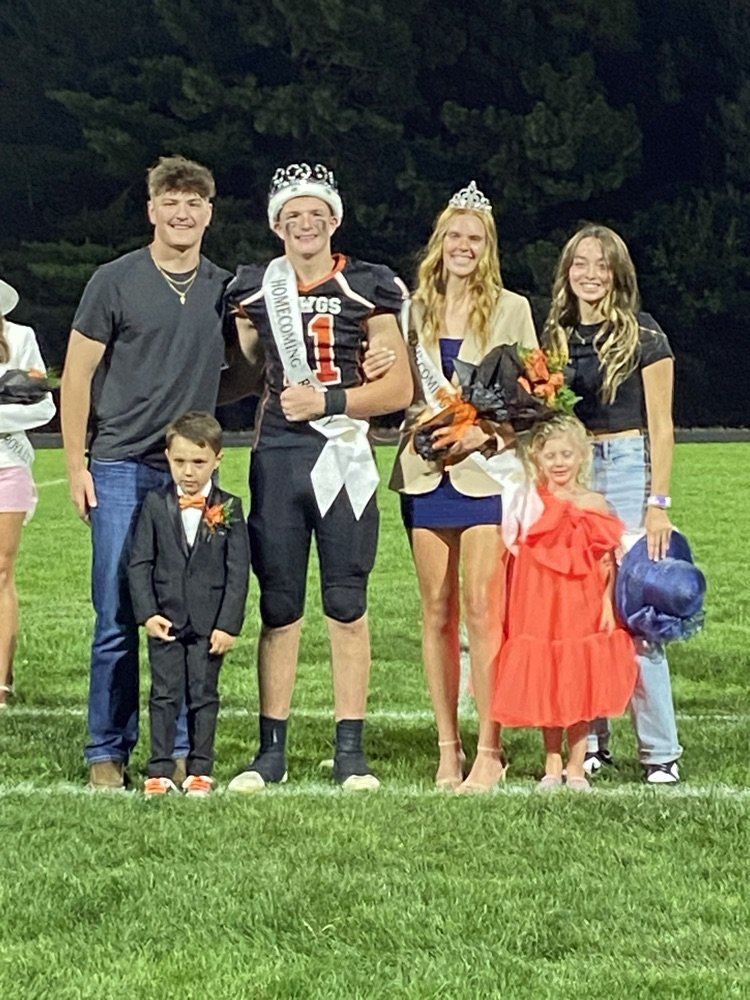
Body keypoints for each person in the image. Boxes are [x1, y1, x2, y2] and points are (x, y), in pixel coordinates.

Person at [224, 162, 412, 792]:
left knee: (346, 604)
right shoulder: (255, 288)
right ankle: (270, 751)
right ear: (277, 225)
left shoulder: (368, 285)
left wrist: (330, 401)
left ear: (334, 220)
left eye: (316, 213)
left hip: (342, 457)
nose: (305, 224)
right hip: (277, 456)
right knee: (279, 606)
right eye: (292, 215)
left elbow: (398, 389)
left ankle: (350, 750)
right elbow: (247, 365)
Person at [60, 155, 231, 790]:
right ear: (152, 209)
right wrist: (77, 465)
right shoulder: (115, 280)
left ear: (209, 213)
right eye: (171, 201)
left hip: (188, 470)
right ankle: (106, 748)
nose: (182, 213)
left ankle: (177, 748)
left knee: (186, 611)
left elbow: (245, 368)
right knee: (116, 613)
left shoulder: (223, 288)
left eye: (194, 203)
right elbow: (76, 376)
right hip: (120, 465)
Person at [385, 181, 538, 793]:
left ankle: (490, 751)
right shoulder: (412, 308)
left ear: (488, 246)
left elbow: (534, 397)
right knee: (436, 610)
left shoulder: (512, 308)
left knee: (481, 609)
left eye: (475, 238)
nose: (463, 246)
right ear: (440, 241)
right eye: (455, 235)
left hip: (485, 473)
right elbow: (401, 389)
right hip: (427, 471)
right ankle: (448, 748)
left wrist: (487, 436)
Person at [543, 223, 682, 784]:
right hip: (572, 471)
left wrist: (658, 502)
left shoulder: (645, 334)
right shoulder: (555, 336)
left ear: (618, 273)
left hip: (626, 465)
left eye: (602, 264)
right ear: (567, 271)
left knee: (636, 609)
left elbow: (662, 425)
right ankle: (593, 743)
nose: (590, 274)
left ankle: (661, 751)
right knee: (582, 611)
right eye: (581, 263)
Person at [492, 414, 638, 791]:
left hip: (582, 603)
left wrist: (607, 606)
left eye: (566, 455)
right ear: (536, 459)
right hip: (539, 601)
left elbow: (606, 562)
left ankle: (577, 766)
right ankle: (551, 763)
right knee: (547, 673)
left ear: (581, 456)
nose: (559, 463)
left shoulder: (595, 503)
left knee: (579, 676)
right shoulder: (529, 502)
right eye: (550, 455)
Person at [129, 412, 250, 797]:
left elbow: (238, 571)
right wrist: (148, 613)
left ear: (217, 459)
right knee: (163, 695)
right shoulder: (154, 503)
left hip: (209, 624)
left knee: (203, 695)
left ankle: (200, 769)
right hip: (165, 620)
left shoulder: (229, 507)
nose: (188, 471)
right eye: (179, 461)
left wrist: (228, 624)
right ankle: (160, 769)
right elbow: (140, 562)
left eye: (198, 462)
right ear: (168, 457)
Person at [0, 279, 56, 708]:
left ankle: (0, 679)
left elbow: (42, 406)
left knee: (1, 572)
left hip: (7, 465)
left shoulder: (20, 337)